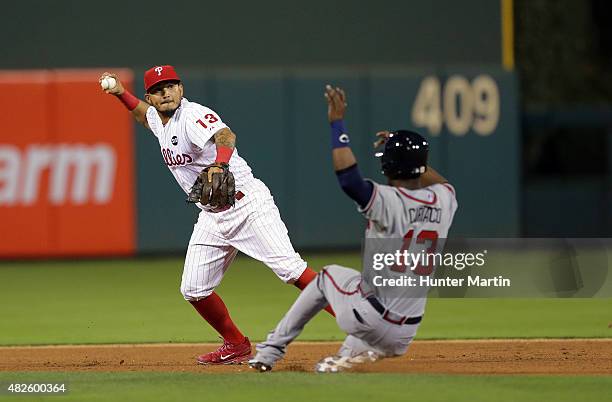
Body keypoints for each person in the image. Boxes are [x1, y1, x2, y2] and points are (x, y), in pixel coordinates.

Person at [99, 66, 332, 365]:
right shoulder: (159, 118)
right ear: (151, 96)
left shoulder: (192, 115)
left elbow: (225, 134)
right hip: (212, 216)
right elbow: (144, 115)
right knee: (193, 289)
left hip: (247, 205)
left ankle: (360, 320)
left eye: (171, 86)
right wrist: (121, 93)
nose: (165, 92)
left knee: (292, 271)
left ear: (181, 88)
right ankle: (236, 344)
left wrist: (220, 165)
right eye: (158, 89)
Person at [248, 85, 458, 373]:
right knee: (360, 295)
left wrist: (338, 124)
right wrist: (413, 157)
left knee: (325, 278)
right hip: (405, 334)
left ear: (387, 166)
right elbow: (438, 182)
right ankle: (344, 360)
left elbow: (349, 180)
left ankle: (268, 353)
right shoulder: (445, 200)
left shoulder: (388, 199)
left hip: (370, 317)